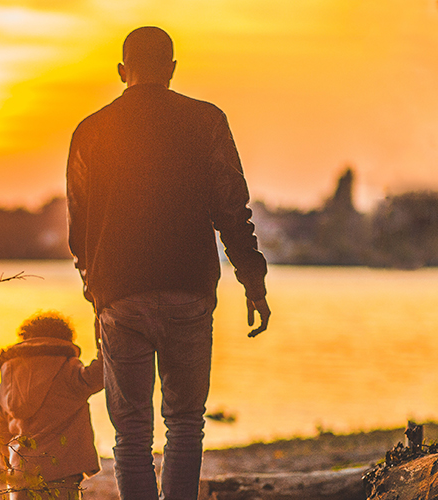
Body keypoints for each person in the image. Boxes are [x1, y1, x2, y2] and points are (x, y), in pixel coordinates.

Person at [65, 26, 271, 500]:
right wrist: (253, 282)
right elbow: (232, 210)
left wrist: (95, 291)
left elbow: (80, 226)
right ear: (173, 70)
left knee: (131, 437)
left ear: (122, 72)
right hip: (189, 291)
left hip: (120, 295)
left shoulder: (90, 131)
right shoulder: (206, 121)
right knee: (184, 424)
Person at [0, 311, 106, 500]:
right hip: (61, 471)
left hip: (21, 474)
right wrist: (103, 332)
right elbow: (103, 372)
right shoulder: (68, 369)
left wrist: (9, 467)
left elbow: (0, 432)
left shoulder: (9, 374)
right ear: (64, 339)